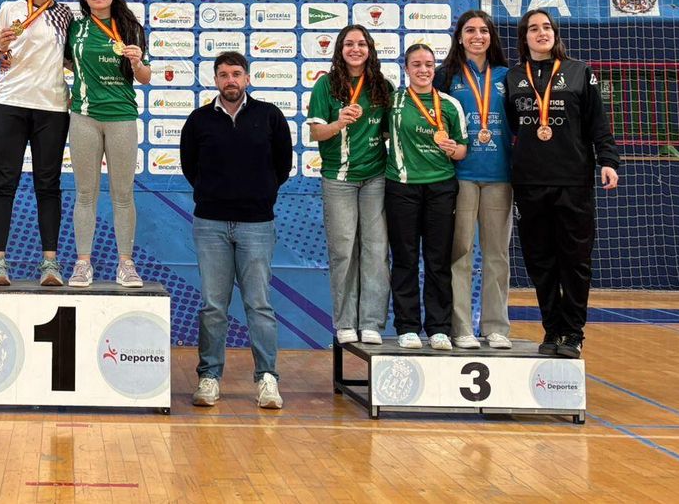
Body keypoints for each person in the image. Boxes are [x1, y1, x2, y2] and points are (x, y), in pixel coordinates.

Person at [180, 51, 294, 410]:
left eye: (236, 74)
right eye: (223, 74)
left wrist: (258, 196)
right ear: (215, 80)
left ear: (247, 79)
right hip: (210, 223)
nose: (230, 80)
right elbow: (188, 166)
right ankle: (209, 377)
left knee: (258, 305)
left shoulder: (270, 117)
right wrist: (213, 195)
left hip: (257, 224)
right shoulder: (198, 120)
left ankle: (267, 380)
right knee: (213, 306)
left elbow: (283, 164)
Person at [504, 9, 620, 359]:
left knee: (574, 261)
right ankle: (552, 328)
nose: (542, 33)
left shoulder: (579, 72)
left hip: (572, 181)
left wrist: (608, 161)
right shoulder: (512, 78)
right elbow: (514, 126)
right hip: (529, 182)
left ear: (555, 33)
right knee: (540, 261)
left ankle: (573, 332)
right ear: (524, 38)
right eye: (534, 29)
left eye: (547, 27)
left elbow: (597, 122)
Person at [0, 0, 73, 287]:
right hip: (9, 104)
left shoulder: (65, 14)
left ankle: (50, 263)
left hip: (52, 106)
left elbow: (74, 61)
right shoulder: (10, 9)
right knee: (4, 183)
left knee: (48, 185)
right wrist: (0, 48)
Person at [304, 25, 393, 346]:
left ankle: (371, 322)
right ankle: (345, 322)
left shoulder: (383, 86)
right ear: (339, 49)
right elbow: (316, 134)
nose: (355, 49)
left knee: (376, 251)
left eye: (361, 44)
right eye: (349, 44)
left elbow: (387, 135)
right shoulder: (326, 86)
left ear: (370, 49)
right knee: (343, 252)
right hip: (338, 179)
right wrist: (339, 122)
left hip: (375, 179)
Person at [66, 0, 152, 288]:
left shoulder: (130, 27)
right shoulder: (76, 28)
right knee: (86, 193)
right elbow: (63, 62)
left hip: (122, 116)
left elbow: (145, 78)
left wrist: (137, 63)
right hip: (84, 116)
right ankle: (82, 263)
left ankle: (126, 264)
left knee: (122, 194)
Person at [435, 10, 514, 350]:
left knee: (497, 254)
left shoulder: (509, 76)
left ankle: (496, 326)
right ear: (459, 37)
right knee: (461, 253)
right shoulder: (445, 76)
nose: (477, 36)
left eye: (483, 30)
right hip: (461, 177)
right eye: (470, 30)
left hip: (500, 177)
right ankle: (462, 327)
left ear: (491, 37)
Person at [385, 43, 468, 350]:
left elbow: (462, 149)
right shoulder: (392, 102)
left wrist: (453, 150)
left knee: (437, 259)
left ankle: (439, 328)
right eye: (416, 64)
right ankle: (407, 326)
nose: (423, 70)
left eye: (429, 65)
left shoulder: (448, 104)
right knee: (405, 258)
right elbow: (380, 135)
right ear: (406, 69)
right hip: (402, 187)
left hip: (441, 188)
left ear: (435, 69)